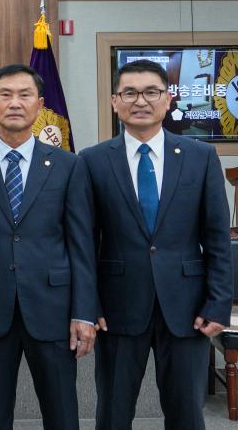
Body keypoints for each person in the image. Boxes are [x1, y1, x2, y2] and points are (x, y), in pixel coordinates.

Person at [81, 59, 232, 430]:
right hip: (117, 309)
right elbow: (84, 241)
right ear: (116, 101)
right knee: (113, 414)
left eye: (151, 91)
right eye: (129, 92)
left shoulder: (200, 157)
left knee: (186, 415)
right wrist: (89, 305)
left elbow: (217, 238)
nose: (141, 100)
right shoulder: (93, 161)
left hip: (187, 309)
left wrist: (218, 304)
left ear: (167, 100)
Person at [0, 65, 96, 430]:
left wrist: (84, 312)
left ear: (40, 104)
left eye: (24, 95)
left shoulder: (68, 165)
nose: (15, 103)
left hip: (54, 309)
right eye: (5, 94)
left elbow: (82, 244)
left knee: (62, 413)